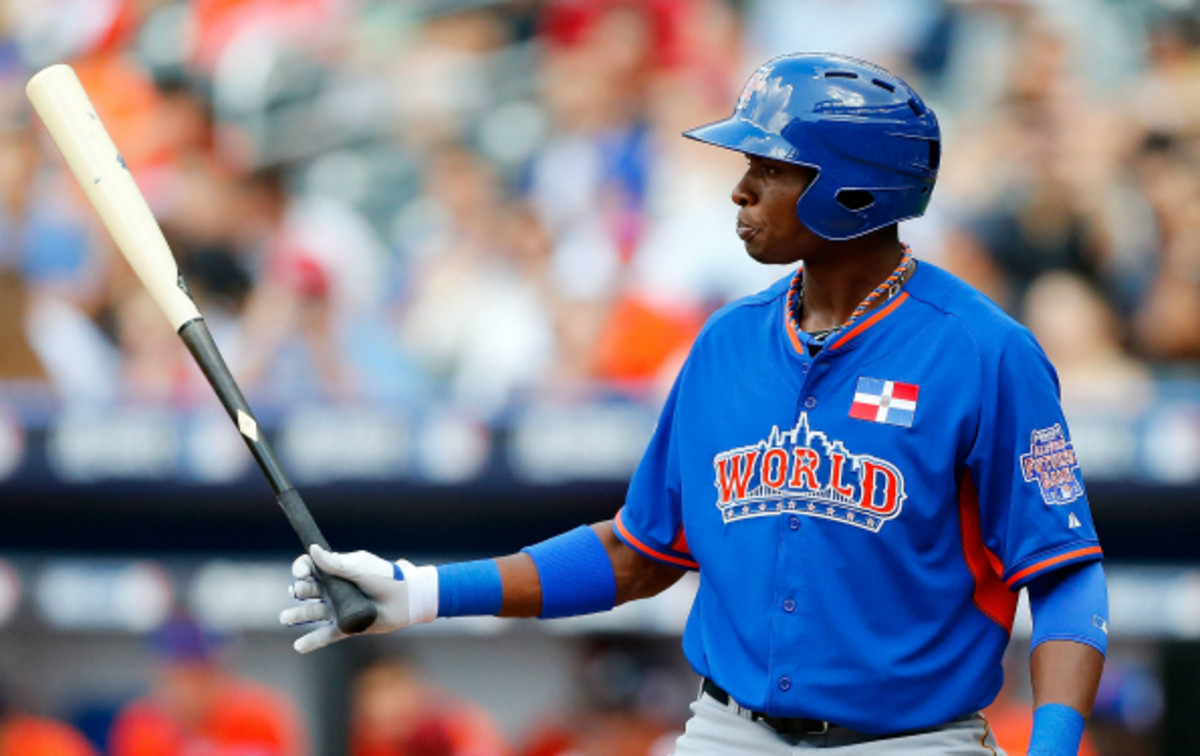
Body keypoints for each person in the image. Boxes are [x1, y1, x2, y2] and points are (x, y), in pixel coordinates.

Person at [282, 53, 1108, 755]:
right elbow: (639, 552)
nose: (740, 191)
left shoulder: (984, 351)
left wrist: (1056, 744)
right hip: (729, 731)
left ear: (854, 191)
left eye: (771, 169)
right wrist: (420, 592)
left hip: (912, 740)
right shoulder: (725, 344)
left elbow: (1064, 573)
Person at [109, 614, 307, 756]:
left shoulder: (260, 718)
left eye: (201, 675)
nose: (189, 690)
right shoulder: (141, 726)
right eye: (180, 675)